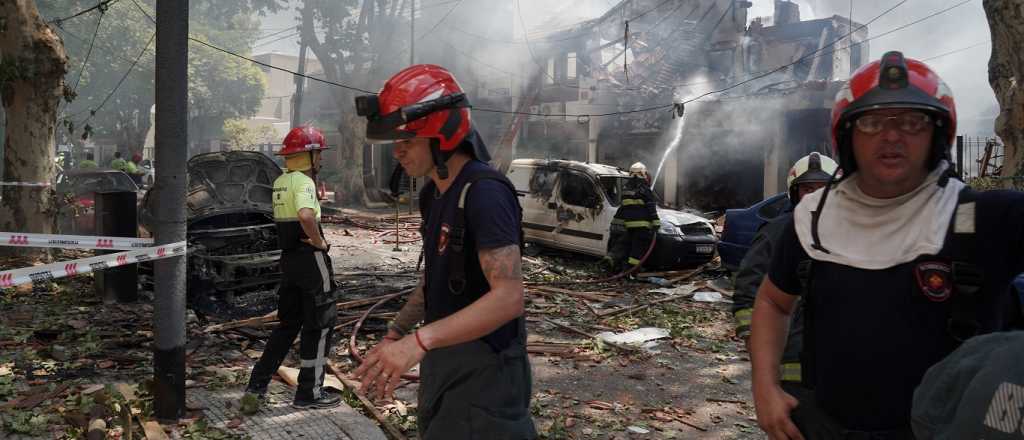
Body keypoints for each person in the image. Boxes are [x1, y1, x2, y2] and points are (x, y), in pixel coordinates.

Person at [750, 51, 1024, 439]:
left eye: (912, 122)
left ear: (937, 135)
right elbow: (772, 302)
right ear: (846, 136)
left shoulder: (988, 219)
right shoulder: (813, 219)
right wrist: (765, 387)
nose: (892, 135)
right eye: (872, 121)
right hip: (826, 426)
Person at [352, 64, 536, 439]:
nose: (398, 152)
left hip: (488, 371)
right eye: (395, 142)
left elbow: (509, 298)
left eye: (407, 140)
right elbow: (435, 279)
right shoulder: (432, 194)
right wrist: (396, 334)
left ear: (443, 134)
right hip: (445, 359)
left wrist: (418, 341)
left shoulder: (485, 193)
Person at [244, 126, 340, 409]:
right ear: (308, 155)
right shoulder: (304, 183)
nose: (320, 159)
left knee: (288, 323)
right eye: (318, 153)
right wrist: (319, 242)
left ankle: (256, 386)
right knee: (321, 323)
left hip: (289, 261)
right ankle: (309, 394)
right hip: (310, 260)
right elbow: (306, 215)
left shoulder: (281, 182)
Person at [732, 152, 838, 397]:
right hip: (793, 368)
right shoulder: (778, 231)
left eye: (824, 188)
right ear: (794, 193)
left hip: (842, 372)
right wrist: (757, 352)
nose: (815, 196)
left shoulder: (854, 233)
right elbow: (747, 290)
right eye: (807, 189)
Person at [604, 162, 660, 273]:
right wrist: (656, 222)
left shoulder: (626, 189)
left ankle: (612, 259)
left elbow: (624, 207)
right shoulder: (645, 189)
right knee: (637, 250)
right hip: (643, 225)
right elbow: (651, 207)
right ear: (643, 173)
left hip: (629, 225)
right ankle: (632, 271)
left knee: (627, 245)